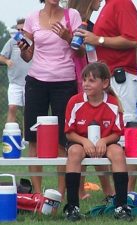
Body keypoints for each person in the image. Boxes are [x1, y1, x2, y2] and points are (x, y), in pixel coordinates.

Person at [75, 0, 137, 191]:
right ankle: (117, 193)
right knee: (110, 133)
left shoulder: (122, 3)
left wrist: (99, 40)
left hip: (121, 78)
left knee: (127, 132)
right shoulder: (109, 5)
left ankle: (127, 193)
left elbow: (133, 39)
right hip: (109, 77)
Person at [18, 0, 81, 195]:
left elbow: (80, 49)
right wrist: (22, 49)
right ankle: (37, 194)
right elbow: (27, 56)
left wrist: (68, 36)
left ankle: (60, 194)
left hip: (65, 82)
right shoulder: (32, 17)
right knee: (33, 138)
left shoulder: (73, 15)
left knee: (63, 139)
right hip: (36, 81)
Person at [64, 62, 131, 221]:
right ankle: (72, 207)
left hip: (106, 143)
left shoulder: (113, 103)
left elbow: (116, 133)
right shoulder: (75, 101)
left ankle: (121, 206)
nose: (86, 84)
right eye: (85, 80)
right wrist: (84, 141)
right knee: (74, 152)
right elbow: (69, 133)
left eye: (92, 80)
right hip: (79, 142)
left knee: (118, 152)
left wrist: (104, 140)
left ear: (105, 83)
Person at [67, 0, 115, 201]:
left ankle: (108, 191)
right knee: (79, 141)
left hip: (91, 83)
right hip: (77, 81)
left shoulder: (90, 25)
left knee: (97, 137)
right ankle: (78, 191)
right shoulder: (74, 22)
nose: (101, 2)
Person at [0, 19, 31, 123]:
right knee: (12, 108)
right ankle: (10, 135)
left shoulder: (32, 41)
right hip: (15, 82)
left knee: (28, 111)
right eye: (18, 30)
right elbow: (1, 57)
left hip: (31, 82)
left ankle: (26, 138)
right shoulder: (12, 41)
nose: (21, 32)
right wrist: (7, 61)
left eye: (23, 29)